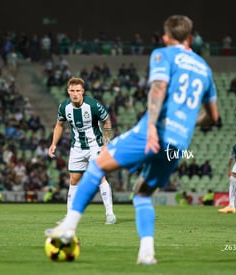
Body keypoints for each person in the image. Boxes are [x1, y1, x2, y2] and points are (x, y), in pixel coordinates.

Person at [45, 15, 219, 265]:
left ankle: (68, 229)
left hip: (153, 132)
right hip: (178, 143)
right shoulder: (205, 69)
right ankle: (146, 253)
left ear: (166, 37)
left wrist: (150, 128)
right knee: (142, 194)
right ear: (191, 38)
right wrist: (188, 122)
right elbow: (214, 117)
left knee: (97, 165)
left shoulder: (163, 54)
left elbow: (158, 88)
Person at [48, 77, 116, 225]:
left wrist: (106, 142)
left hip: (95, 146)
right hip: (77, 147)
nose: (75, 94)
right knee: (73, 180)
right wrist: (54, 143)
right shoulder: (64, 107)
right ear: (68, 91)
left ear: (83, 91)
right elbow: (59, 125)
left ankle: (110, 214)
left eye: (78, 91)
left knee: (99, 177)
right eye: (72, 91)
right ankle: (69, 217)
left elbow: (107, 120)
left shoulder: (93, 105)